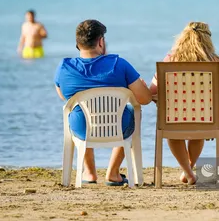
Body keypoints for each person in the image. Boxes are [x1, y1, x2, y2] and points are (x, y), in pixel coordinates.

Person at [54, 20, 152, 186]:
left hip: (82, 129)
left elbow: (63, 96)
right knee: (132, 111)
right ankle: (113, 172)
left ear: (78, 44)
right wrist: (141, 86)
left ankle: (90, 173)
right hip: (119, 128)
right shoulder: (119, 64)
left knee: (81, 113)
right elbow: (145, 99)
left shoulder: (64, 67)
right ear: (101, 41)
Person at [149, 22, 219, 185]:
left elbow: (153, 90)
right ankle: (188, 171)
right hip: (210, 119)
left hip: (173, 119)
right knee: (200, 123)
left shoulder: (169, 60)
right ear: (208, 40)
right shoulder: (216, 63)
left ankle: (188, 172)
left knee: (173, 130)